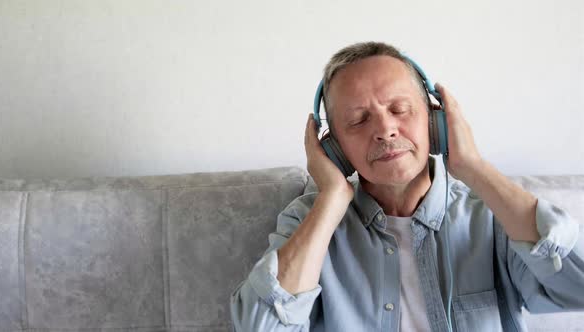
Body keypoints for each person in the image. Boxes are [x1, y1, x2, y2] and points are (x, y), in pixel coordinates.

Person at [229, 42, 584, 331]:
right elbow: (262, 327)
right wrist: (332, 198)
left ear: (437, 120)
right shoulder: (308, 220)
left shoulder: (492, 213)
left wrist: (473, 168)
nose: (385, 129)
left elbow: (577, 286)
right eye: (358, 120)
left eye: (400, 108)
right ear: (333, 148)